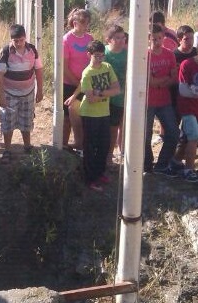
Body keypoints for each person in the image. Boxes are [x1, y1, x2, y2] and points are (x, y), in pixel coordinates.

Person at [162, 39, 198, 183]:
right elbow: (183, 91)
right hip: (186, 107)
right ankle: (189, 170)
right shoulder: (187, 64)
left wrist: (196, 89)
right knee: (194, 137)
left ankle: (174, 163)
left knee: (192, 139)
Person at [0, 24, 44, 164]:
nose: (18, 43)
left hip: (28, 92)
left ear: (25, 38)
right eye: (15, 41)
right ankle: (7, 150)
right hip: (9, 93)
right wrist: (1, 95)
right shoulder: (5, 52)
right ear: (11, 40)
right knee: (7, 121)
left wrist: (40, 90)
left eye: (21, 40)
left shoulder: (32, 50)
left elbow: (39, 70)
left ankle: (27, 146)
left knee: (27, 119)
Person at [76, 40, 120, 192]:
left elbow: (117, 89)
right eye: (97, 56)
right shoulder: (87, 73)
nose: (100, 59)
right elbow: (90, 99)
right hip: (90, 114)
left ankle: (99, 173)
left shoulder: (107, 67)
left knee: (104, 144)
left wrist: (100, 92)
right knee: (90, 146)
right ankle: (90, 178)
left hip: (104, 112)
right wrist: (102, 94)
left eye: (102, 56)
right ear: (89, 55)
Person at [145, 25, 179, 174]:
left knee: (173, 132)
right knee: (145, 136)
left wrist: (160, 81)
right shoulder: (145, 56)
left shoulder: (169, 54)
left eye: (160, 38)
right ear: (149, 39)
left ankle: (162, 163)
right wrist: (164, 79)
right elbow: (150, 82)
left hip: (164, 100)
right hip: (148, 102)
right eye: (154, 39)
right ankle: (147, 164)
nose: (157, 41)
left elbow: (174, 78)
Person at [62, 8, 93, 152]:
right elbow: (64, 65)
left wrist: (84, 83)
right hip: (69, 83)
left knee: (83, 115)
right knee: (68, 116)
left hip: (85, 83)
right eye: (83, 22)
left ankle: (80, 144)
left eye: (88, 22)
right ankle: (63, 145)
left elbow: (92, 61)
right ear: (75, 22)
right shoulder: (67, 39)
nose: (86, 25)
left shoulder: (89, 39)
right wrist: (77, 83)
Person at [104, 25, 127, 163]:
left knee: (122, 125)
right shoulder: (105, 53)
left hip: (122, 97)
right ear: (109, 39)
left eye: (123, 37)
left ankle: (122, 152)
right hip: (106, 96)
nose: (120, 40)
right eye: (117, 38)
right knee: (111, 128)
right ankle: (108, 155)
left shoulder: (127, 54)